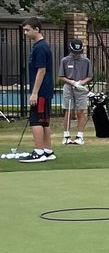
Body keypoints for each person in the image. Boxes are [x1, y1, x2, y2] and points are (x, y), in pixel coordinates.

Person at [20, 18, 56, 163]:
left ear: (37, 29)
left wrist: (34, 92)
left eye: (27, 30)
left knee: (36, 120)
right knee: (44, 121)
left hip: (41, 91)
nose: (25, 33)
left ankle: (39, 152)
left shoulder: (40, 47)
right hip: (44, 90)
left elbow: (41, 70)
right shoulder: (38, 46)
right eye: (24, 30)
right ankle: (47, 151)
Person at [58, 38, 92, 146]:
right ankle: (66, 136)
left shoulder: (86, 61)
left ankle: (80, 136)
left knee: (80, 111)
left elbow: (90, 76)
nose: (77, 55)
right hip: (68, 87)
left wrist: (81, 82)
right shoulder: (65, 60)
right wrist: (72, 82)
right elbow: (61, 76)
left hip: (81, 88)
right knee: (68, 111)